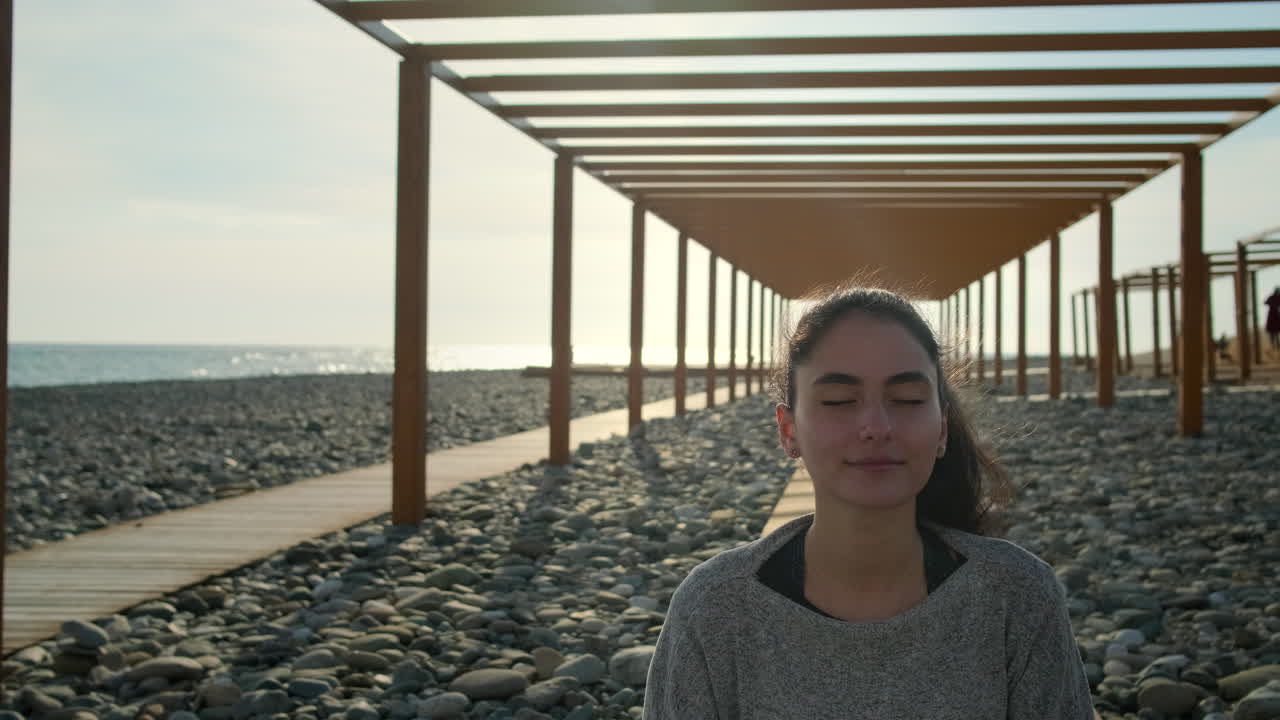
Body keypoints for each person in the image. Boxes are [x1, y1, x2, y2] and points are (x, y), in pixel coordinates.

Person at [643, 285, 1095, 719]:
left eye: (907, 399)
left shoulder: (1015, 595)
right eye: (839, 400)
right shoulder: (716, 609)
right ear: (788, 430)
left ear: (941, 428)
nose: (876, 427)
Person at [1266, 286, 1280, 351]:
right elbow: (1266, 302)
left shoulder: (1276, 297)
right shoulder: (1272, 297)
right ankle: (1274, 345)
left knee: (1275, 332)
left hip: (1275, 315)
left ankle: (1276, 345)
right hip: (1273, 315)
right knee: (1273, 332)